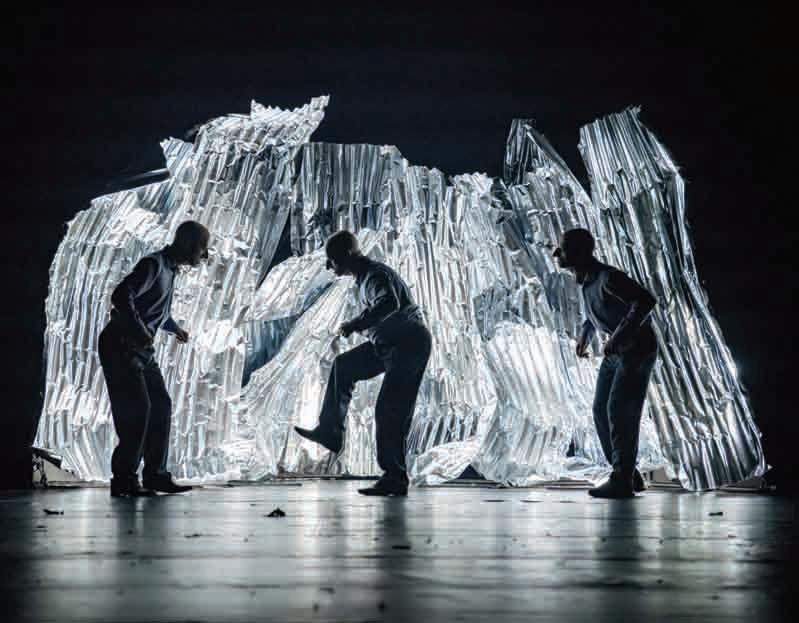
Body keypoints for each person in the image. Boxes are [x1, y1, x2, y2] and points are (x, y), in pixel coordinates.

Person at [295, 231, 432, 496]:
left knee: (390, 409)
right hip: (388, 344)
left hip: (408, 343)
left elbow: (389, 303)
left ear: (347, 255)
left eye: (332, 260)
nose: (328, 266)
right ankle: (330, 432)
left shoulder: (374, 275)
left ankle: (395, 477)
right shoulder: (365, 278)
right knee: (343, 366)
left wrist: (355, 324)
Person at [98, 221, 210, 497]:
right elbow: (121, 295)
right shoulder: (153, 265)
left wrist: (174, 328)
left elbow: (156, 309)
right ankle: (124, 480)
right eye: (202, 247)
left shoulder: (170, 271)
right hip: (120, 345)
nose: (205, 254)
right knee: (139, 411)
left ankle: (156, 476)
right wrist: (139, 330)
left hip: (140, 350)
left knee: (160, 405)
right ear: (188, 244)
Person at [553, 228, 658, 498]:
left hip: (637, 349)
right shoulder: (587, 282)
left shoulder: (609, 277)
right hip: (617, 352)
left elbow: (646, 301)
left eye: (562, 248)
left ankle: (621, 480)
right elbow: (594, 313)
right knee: (601, 409)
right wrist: (585, 337)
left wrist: (621, 334)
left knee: (619, 410)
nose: (556, 253)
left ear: (579, 252)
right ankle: (627, 473)